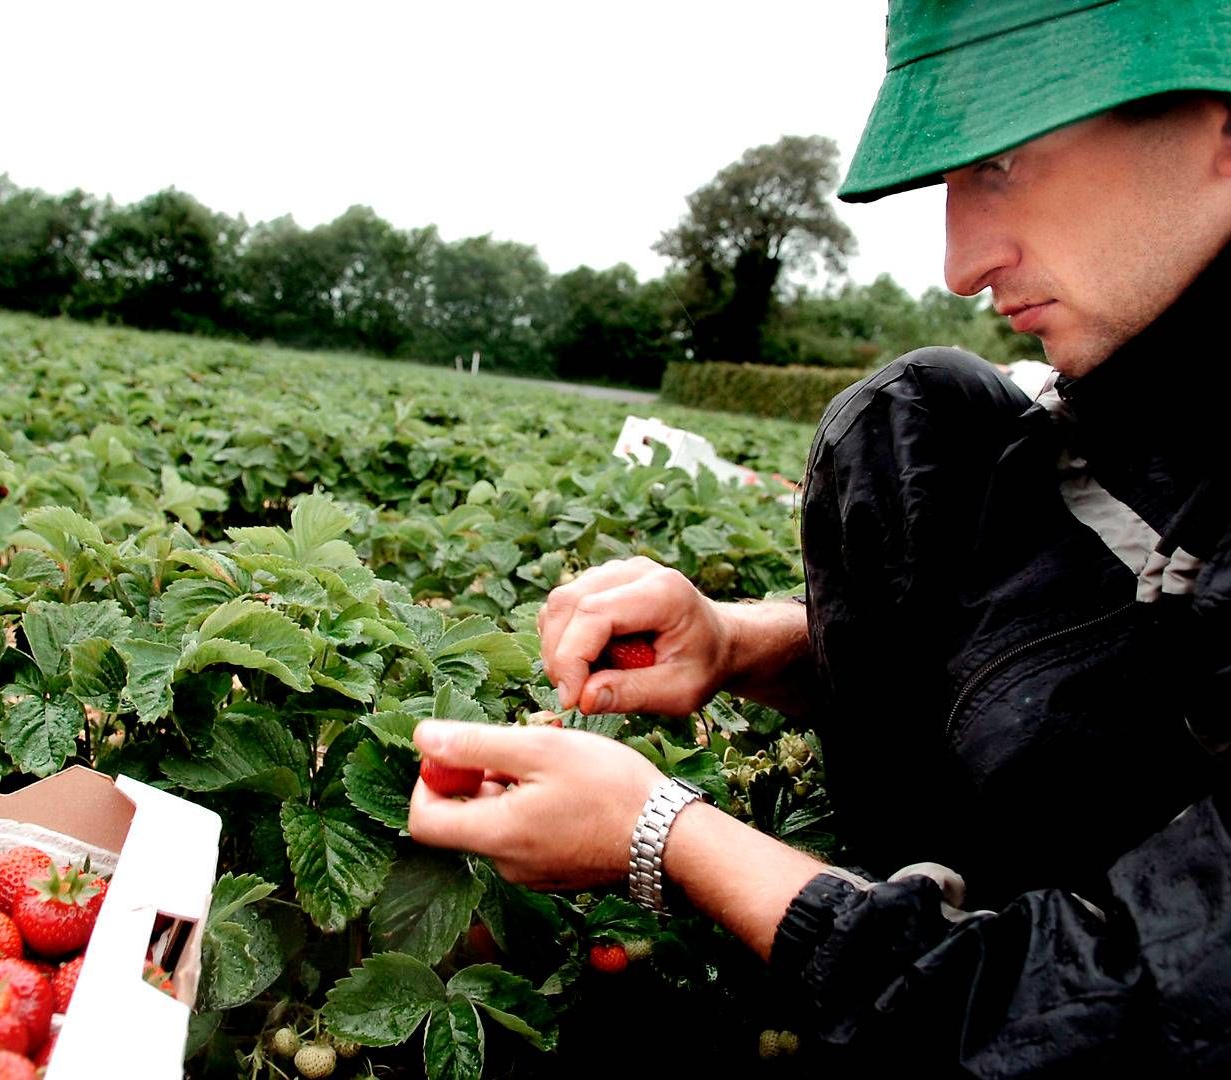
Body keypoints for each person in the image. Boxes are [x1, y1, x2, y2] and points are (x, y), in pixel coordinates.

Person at [409, 1, 1231, 1072]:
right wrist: (737, 645)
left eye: (1003, 162)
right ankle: (915, 922)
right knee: (917, 415)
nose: (960, 259)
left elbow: (1134, 1013)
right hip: (997, 903)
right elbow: (1048, 666)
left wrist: (666, 837)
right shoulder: (1122, 411)